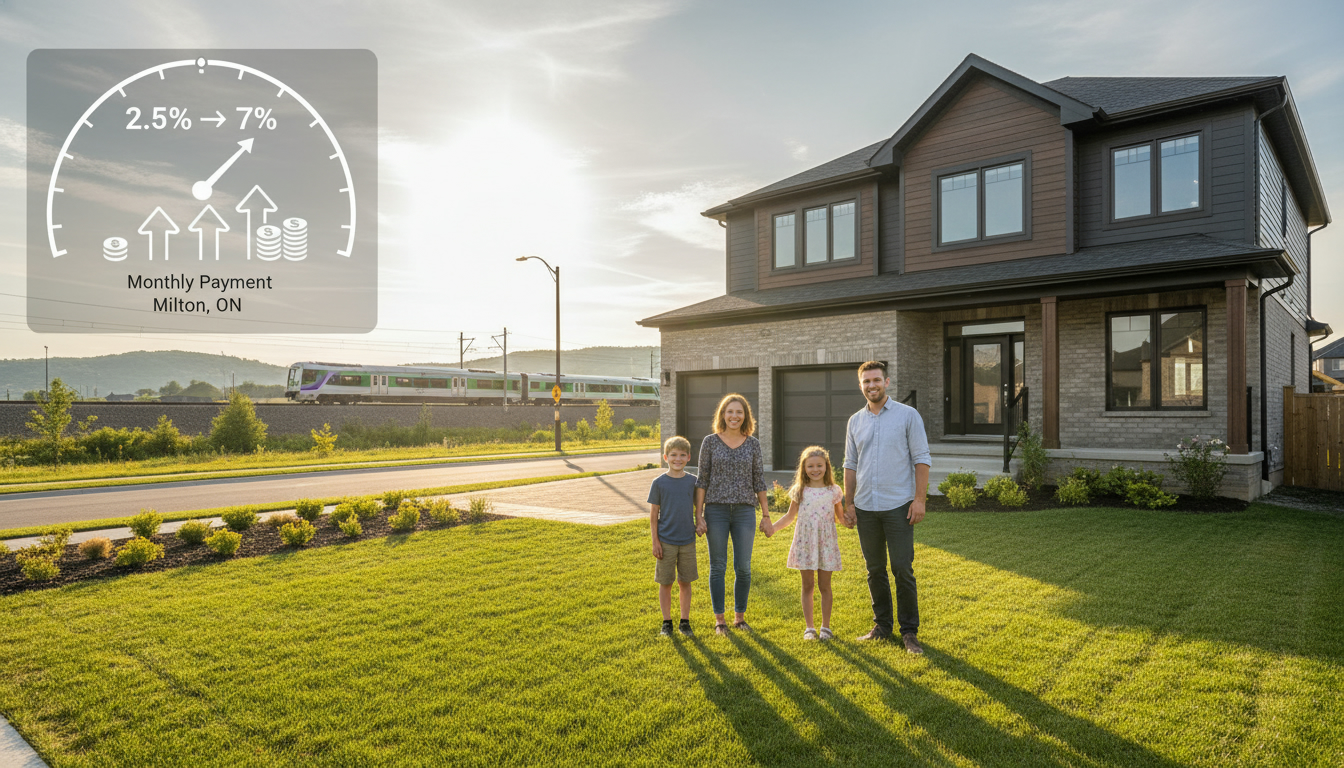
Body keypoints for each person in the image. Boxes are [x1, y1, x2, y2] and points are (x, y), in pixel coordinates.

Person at [842, 361, 931, 654]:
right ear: (861, 386)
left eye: (876, 380)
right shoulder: (855, 421)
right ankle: (882, 626)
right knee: (874, 569)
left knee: (902, 568)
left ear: (887, 382)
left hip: (898, 506)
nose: (872, 386)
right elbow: (850, 465)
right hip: (866, 507)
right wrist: (849, 502)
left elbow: (921, 459)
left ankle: (909, 633)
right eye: (866, 382)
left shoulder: (908, 416)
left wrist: (919, 500)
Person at [695, 393, 770, 636]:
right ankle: (720, 621)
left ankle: (740, 618)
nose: (734, 416)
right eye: (730, 412)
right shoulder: (710, 442)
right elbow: (702, 480)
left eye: (739, 412)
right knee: (718, 566)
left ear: (745, 415)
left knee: (743, 567)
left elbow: (758, 480)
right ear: (723, 415)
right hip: (715, 510)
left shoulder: (753, 444)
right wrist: (699, 514)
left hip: (744, 512)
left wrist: (766, 515)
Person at [765, 445, 850, 641]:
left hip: (826, 543)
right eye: (810, 466)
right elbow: (789, 516)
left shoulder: (834, 491)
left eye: (819, 465)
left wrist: (853, 521)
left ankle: (825, 628)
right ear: (803, 468)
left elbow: (841, 518)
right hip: (805, 543)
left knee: (825, 586)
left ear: (827, 467)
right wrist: (773, 528)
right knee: (807, 585)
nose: (815, 470)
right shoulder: (799, 490)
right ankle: (809, 628)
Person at [648, 435, 704, 637]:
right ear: (665, 457)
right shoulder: (659, 483)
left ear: (689, 457)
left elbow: (699, 509)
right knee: (666, 582)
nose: (677, 459)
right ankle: (666, 622)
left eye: (682, 455)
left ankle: (685, 622)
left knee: (685, 582)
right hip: (666, 541)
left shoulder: (693, 482)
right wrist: (655, 541)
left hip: (687, 541)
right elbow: (654, 515)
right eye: (673, 455)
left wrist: (700, 523)